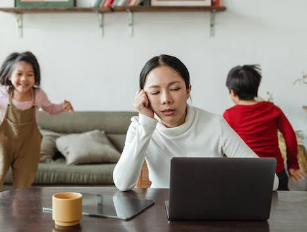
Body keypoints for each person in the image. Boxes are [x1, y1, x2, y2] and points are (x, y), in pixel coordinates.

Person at [113, 54, 279, 191]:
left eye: (175, 89)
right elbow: (122, 184)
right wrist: (146, 125)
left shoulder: (215, 124)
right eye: (155, 92)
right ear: (143, 96)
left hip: (210, 209)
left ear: (188, 90)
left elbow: (271, 181)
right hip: (159, 211)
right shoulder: (140, 126)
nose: (166, 100)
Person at [0, 51, 74, 205]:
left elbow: (50, 109)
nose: (24, 79)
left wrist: (63, 106)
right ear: (9, 76)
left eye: (29, 74)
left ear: (35, 77)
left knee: (22, 192)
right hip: (2, 144)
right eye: (19, 74)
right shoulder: (2, 93)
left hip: (28, 147)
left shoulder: (38, 95)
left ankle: (19, 224)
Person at [223, 64, 306, 190]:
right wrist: (292, 164)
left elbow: (223, 145)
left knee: (245, 208)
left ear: (233, 93)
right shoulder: (273, 109)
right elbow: (290, 136)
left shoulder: (229, 115)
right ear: (256, 88)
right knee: (280, 207)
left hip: (245, 174)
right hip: (275, 172)